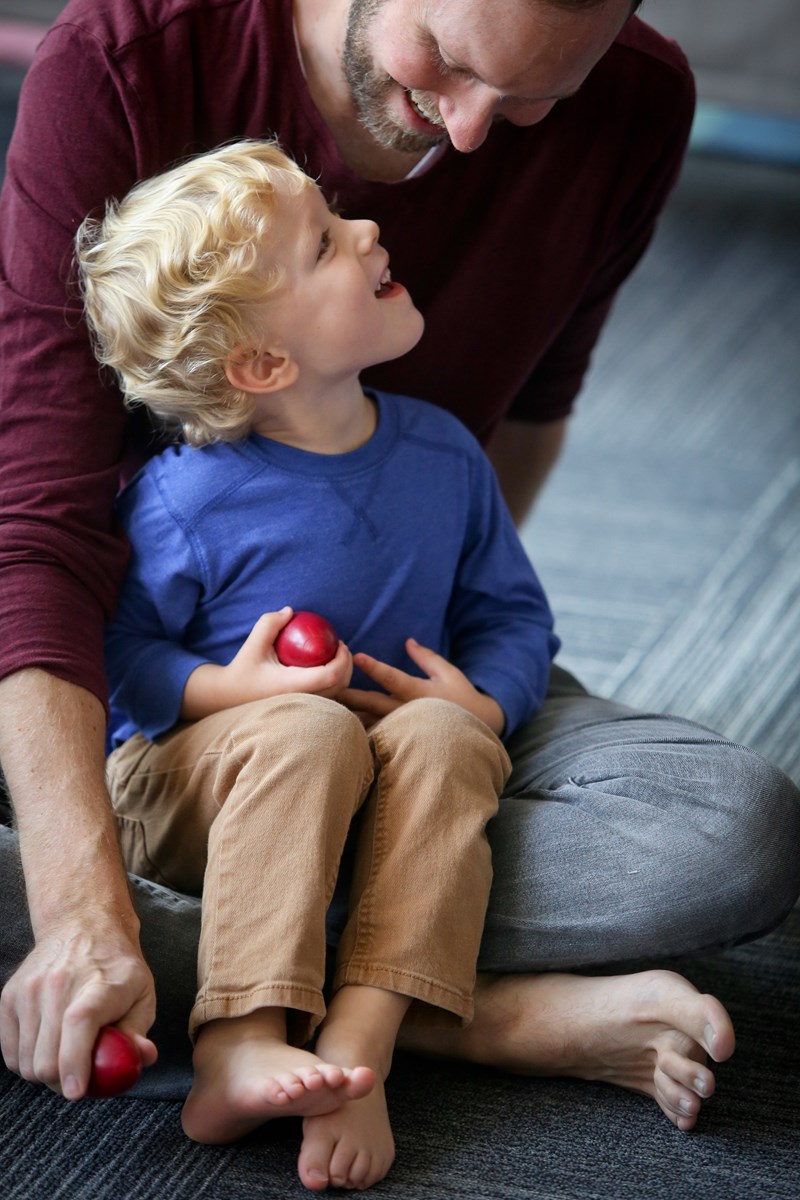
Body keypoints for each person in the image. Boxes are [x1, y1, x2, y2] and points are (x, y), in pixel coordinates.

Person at [0, 0, 798, 1144]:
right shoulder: (123, 59)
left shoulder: (630, 110)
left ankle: (275, 982)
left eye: (532, 99)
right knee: (156, 813)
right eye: (453, 66)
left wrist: (475, 705)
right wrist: (82, 891)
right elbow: (52, 552)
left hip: (417, 694)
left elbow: (516, 496)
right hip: (141, 723)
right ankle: (452, 1016)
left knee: (739, 833)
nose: (471, 133)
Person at [75, 137, 556, 1188]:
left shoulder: (441, 455)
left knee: (443, 734)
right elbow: (113, 660)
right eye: (327, 243)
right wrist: (229, 691)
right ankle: (239, 1036)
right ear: (262, 367)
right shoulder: (183, 499)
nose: (370, 230)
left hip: (376, 781)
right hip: (203, 790)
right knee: (305, 725)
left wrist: (484, 701)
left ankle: (361, 1040)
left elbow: (514, 619)